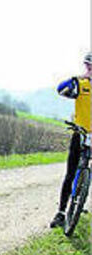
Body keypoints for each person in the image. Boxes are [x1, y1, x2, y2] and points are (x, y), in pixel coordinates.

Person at [50, 52, 92, 228]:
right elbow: (61, 88)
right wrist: (76, 78)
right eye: (88, 66)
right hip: (80, 133)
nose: (89, 69)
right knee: (71, 172)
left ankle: (80, 200)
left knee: (84, 173)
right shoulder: (81, 84)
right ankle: (60, 212)